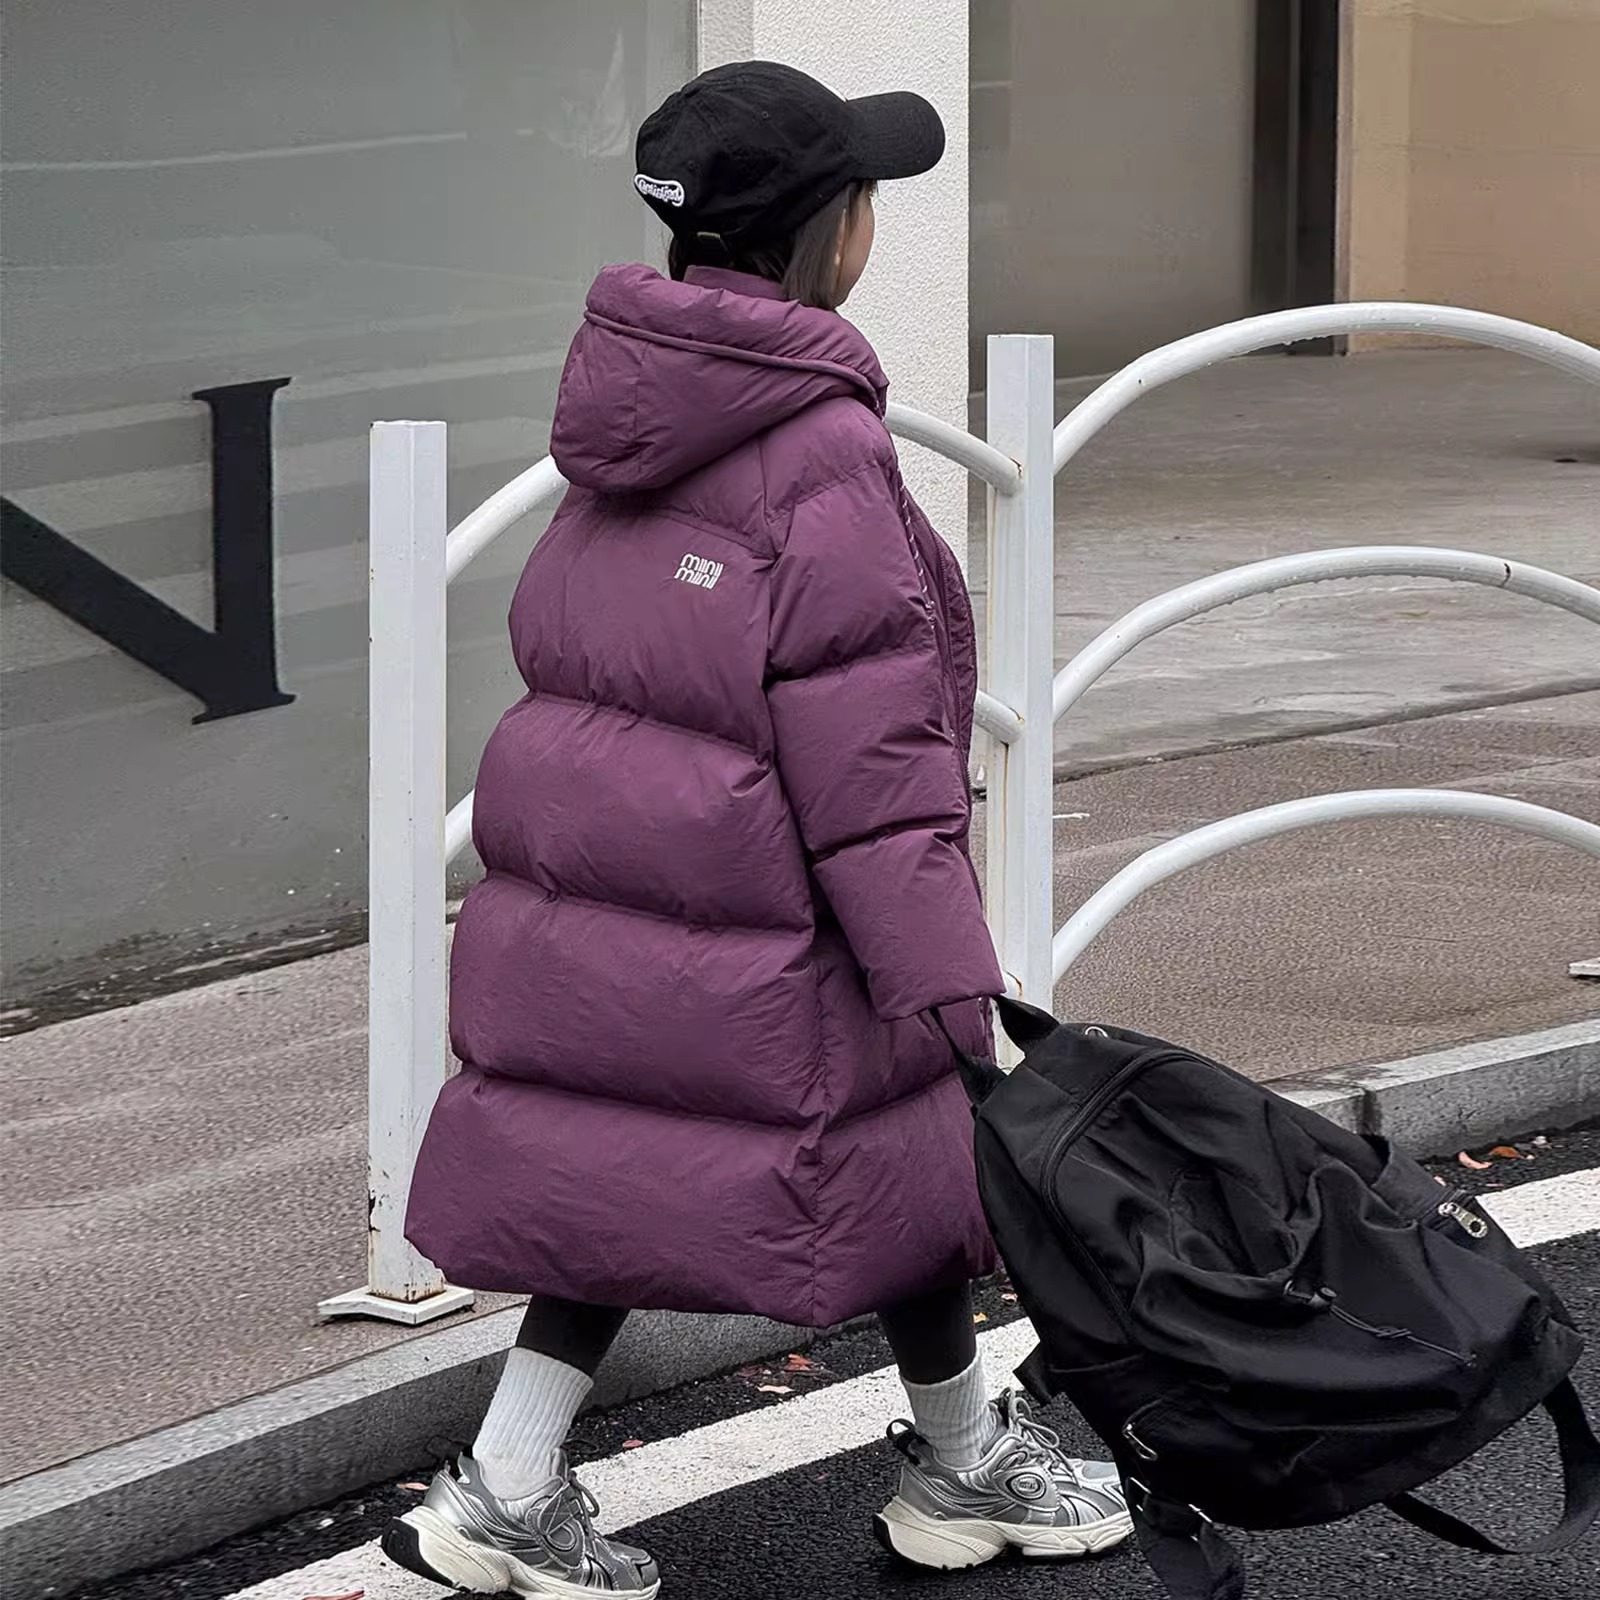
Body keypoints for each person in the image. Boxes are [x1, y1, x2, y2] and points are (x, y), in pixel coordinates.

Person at [386, 60, 1131, 1598]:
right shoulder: (815, 444)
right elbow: (872, 751)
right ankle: (958, 1463)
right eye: (862, 197)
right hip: (773, 908)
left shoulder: (634, 405)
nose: (872, 222)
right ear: (821, 231)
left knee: (655, 1166)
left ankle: (518, 1485)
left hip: (614, 894)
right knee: (913, 1135)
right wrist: (950, 982)